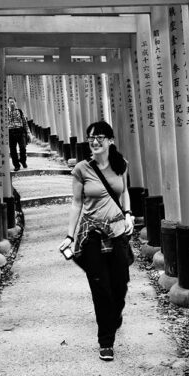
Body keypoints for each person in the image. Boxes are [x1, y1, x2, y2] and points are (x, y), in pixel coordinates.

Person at [59, 120, 134, 362]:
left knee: (121, 285)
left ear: (110, 140)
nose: (95, 141)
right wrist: (70, 236)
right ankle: (106, 342)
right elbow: (76, 203)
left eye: (100, 136)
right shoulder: (82, 169)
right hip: (91, 236)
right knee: (101, 288)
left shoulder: (121, 165)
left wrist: (129, 214)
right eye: (91, 136)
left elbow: (124, 192)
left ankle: (115, 316)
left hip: (118, 233)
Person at [7, 96, 31, 171]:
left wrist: (28, 132)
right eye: (10, 102)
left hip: (20, 131)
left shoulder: (19, 111)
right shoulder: (6, 112)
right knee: (12, 150)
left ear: (15, 102)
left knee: (23, 147)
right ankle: (16, 165)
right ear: (8, 103)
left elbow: (25, 122)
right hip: (10, 132)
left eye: (13, 101)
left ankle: (23, 160)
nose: (11, 103)